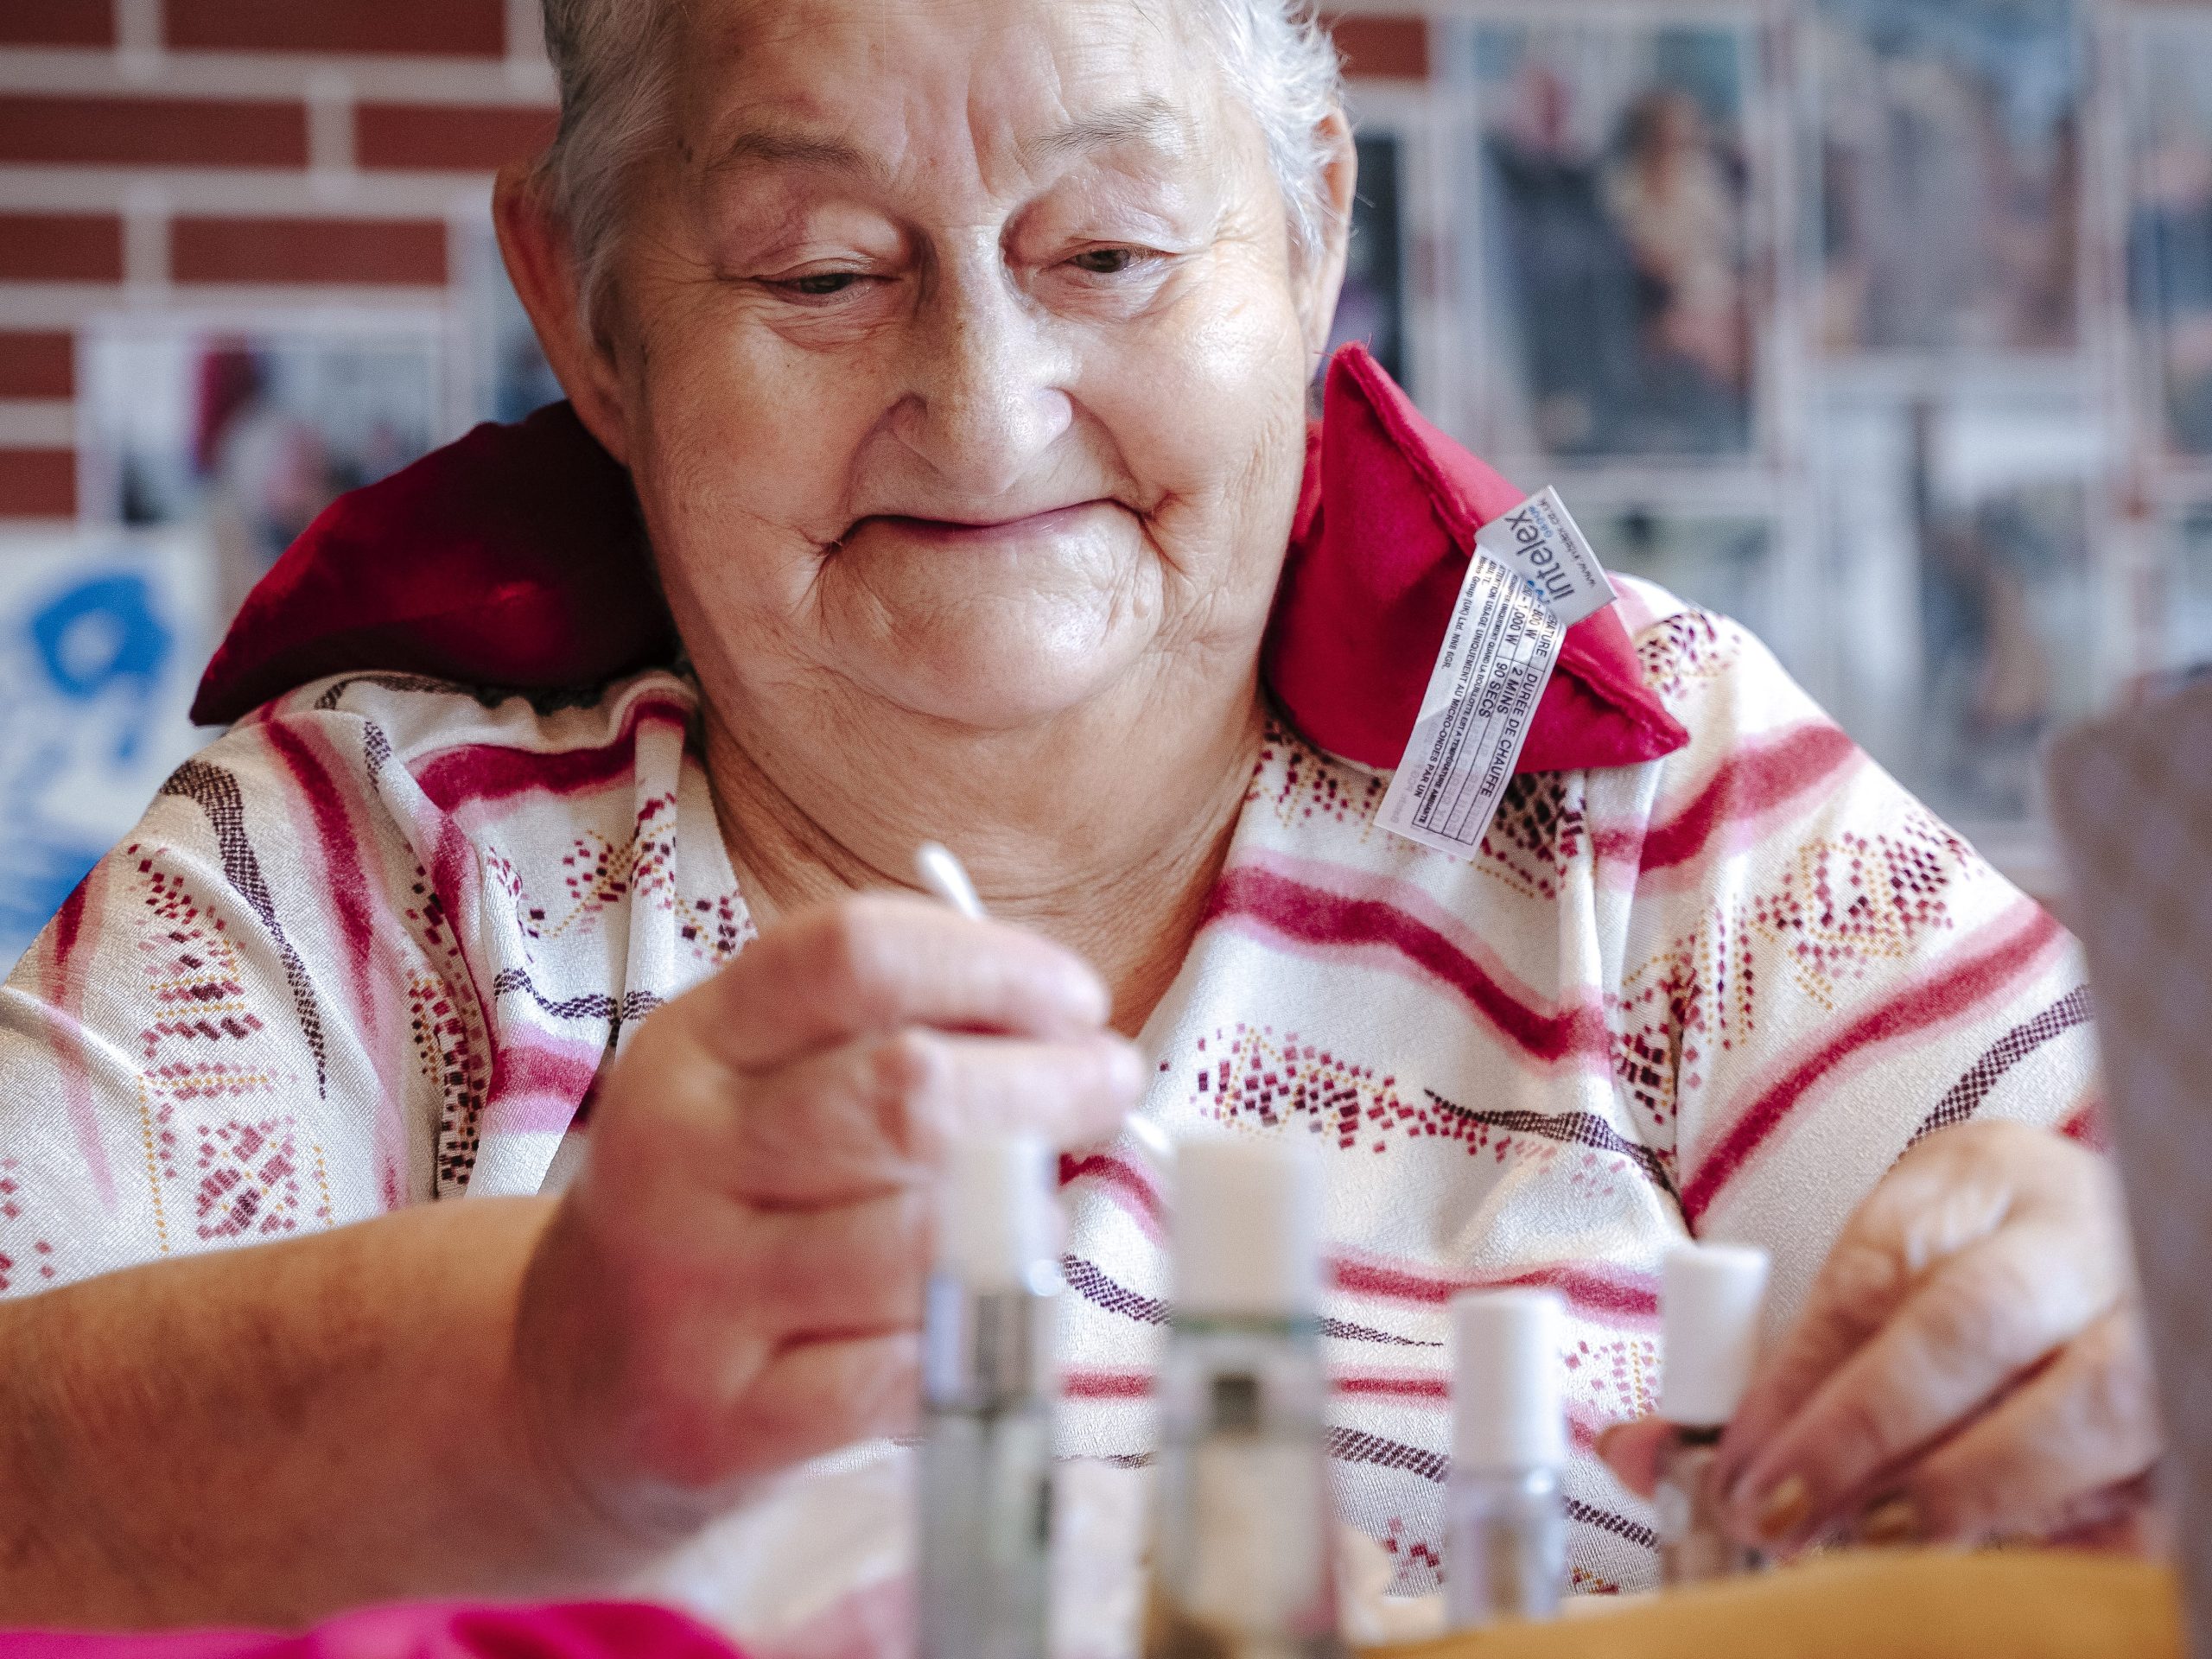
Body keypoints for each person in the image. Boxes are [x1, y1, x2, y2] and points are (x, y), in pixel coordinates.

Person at [0, 0, 2156, 1630]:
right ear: (589, 305)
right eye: (821, 273)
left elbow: (2132, 1223)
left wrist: (2113, 1302)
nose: (990, 404)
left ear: (1312, 225)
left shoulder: (1617, 784)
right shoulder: (363, 860)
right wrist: (539, 1387)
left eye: (1111, 249)